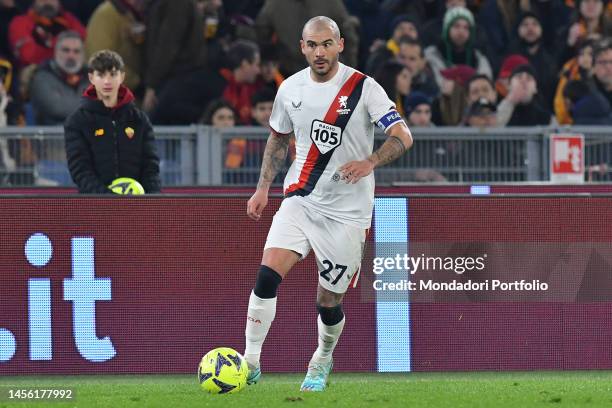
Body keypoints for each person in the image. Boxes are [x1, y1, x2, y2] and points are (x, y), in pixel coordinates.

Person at [243, 16, 413, 392]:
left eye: (326, 44)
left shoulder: (364, 89)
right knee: (267, 275)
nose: (319, 52)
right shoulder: (289, 89)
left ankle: (322, 357)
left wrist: (371, 161)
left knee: (328, 302)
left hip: (348, 214)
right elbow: (277, 140)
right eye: (312, 45)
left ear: (339, 45)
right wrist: (262, 188)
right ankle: (249, 362)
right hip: (301, 199)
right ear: (302, 47)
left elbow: (403, 134)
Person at [64, 49, 160, 194]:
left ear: (122, 77)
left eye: (113, 74)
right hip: (95, 208)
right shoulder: (78, 121)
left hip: (138, 206)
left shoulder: (139, 119)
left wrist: (151, 199)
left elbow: (150, 166)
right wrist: (107, 199)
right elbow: (80, 169)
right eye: (101, 75)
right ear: (91, 78)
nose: (107, 81)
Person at [29, 30, 88, 125]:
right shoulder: (42, 77)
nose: (71, 56)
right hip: (52, 137)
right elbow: (57, 109)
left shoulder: (92, 77)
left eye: (76, 51)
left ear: (83, 55)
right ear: (55, 52)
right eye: (66, 50)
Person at [8, 0, 86, 66]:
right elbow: (29, 56)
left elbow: (84, 42)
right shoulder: (20, 22)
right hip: (36, 73)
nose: (48, 2)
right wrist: (62, 46)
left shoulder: (67, 19)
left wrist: (52, 46)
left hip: (72, 69)